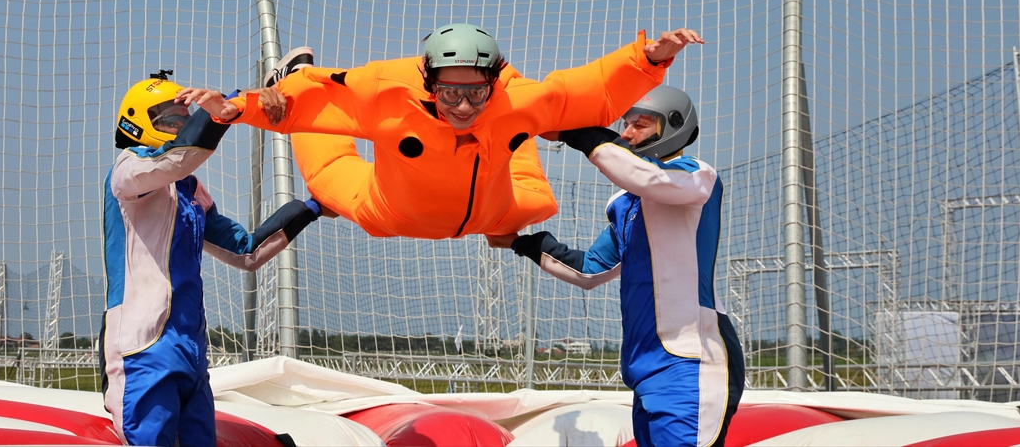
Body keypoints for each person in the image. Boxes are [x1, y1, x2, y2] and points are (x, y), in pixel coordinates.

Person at [180, 25, 703, 241]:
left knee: (534, 169)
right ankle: (287, 71)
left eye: (476, 92)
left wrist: (648, 57)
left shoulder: (512, 100)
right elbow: (324, 101)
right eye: (449, 93)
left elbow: (589, 91)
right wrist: (240, 106)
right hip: (386, 209)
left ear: (493, 82)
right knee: (326, 172)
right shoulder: (387, 91)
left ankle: (509, 158)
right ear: (429, 82)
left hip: (495, 211)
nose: (462, 106)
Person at [498, 86, 744, 447]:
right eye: (624, 125)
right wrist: (520, 242)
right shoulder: (626, 204)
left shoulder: (696, 177)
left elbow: (647, 177)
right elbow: (590, 270)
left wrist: (571, 131)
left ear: (673, 128)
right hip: (643, 368)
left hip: (691, 363)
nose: (627, 134)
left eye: (639, 125)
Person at [100, 71, 324, 446]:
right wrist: (232, 105)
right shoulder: (127, 170)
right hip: (142, 349)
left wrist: (313, 207)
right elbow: (175, 159)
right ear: (137, 123)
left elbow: (247, 250)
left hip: (190, 351)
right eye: (169, 118)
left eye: (184, 118)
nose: (180, 124)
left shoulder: (190, 189)